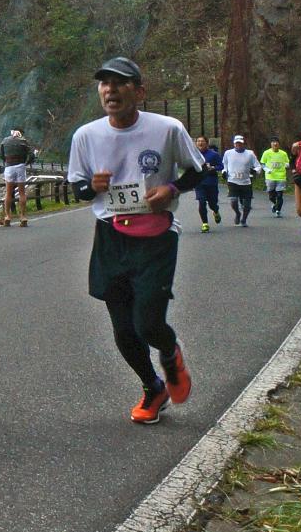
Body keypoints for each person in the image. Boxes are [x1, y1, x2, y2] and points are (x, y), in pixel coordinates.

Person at [66, 57, 205, 426]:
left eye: (120, 83)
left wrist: (171, 187)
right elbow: (77, 187)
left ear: (139, 92)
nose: (110, 90)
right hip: (111, 236)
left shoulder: (168, 129)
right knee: (124, 330)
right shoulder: (86, 136)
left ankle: (169, 353)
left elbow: (197, 171)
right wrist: (90, 187)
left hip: (156, 235)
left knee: (148, 323)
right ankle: (152, 387)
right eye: (104, 84)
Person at [0, 126, 34, 228]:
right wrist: (26, 163)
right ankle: (23, 217)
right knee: (22, 192)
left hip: (9, 166)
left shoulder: (5, 141)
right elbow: (32, 155)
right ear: (20, 133)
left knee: (8, 193)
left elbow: (1, 155)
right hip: (20, 166)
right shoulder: (23, 141)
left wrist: (6, 161)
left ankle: (7, 217)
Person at [221, 135, 259, 226]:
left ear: (243, 143)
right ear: (234, 143)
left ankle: (244, 219)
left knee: (247, 204)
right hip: (232, 180)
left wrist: (255, 171)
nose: (238, 144)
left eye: (240, 143)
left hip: (246, 181)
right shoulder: (228, 153)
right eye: (236, 143)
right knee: (233, 201)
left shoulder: (250, 153)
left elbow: (258, 166)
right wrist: (224, 172)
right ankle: (238, 213)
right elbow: (225, 165)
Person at [193, 135, 222, 232]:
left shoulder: (213, 154)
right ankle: (205, 223)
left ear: (207, 143)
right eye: (198, 141)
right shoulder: (193, 154)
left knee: (212, 204)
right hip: (199, 183)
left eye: (202, 141)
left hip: (211, 182)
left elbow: (221, 166)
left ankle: (216, 211)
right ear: (196, 143)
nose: (200, 143)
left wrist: (213, 168)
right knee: (201, 202)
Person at [261, 139, 291, 217]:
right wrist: (267, 170)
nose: (275, 144)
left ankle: (278, 210)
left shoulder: (283, 153)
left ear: (279, 144)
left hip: (281, 177)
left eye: (276, 142)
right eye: (273, 142)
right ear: (271, 144)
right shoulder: (266, 153)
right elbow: (263, 164)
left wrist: (287, 165)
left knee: (280, 195)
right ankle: (275, 204)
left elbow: (287, 162)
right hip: (270, 177)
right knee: (271, 196)